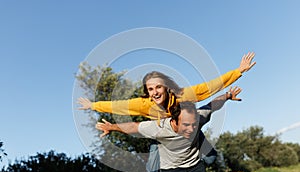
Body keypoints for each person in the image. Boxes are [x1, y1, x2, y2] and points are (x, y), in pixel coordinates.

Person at [95, 87, 242, 172]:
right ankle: (156, 148)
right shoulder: (159, 127)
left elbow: (213, 105)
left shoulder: (199, 118)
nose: (190, 129)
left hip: (194, 165)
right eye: (185, 125)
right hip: (171, 169)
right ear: (174, 122)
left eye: (193, 125)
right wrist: (111, 127)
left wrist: (228, 96)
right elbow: (134, 127)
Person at [77, 52, 255, 120]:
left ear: (166, 87)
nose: (155, 92)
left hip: (184, 127)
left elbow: (209, 87)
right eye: (150, 89)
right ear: (147, 92)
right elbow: (116, 106)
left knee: (207, 154)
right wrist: (92, 105)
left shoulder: (182, 95)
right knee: (155, 161)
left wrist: (238, 71)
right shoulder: (142, 104)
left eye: (158, 88)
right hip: (164, 132)